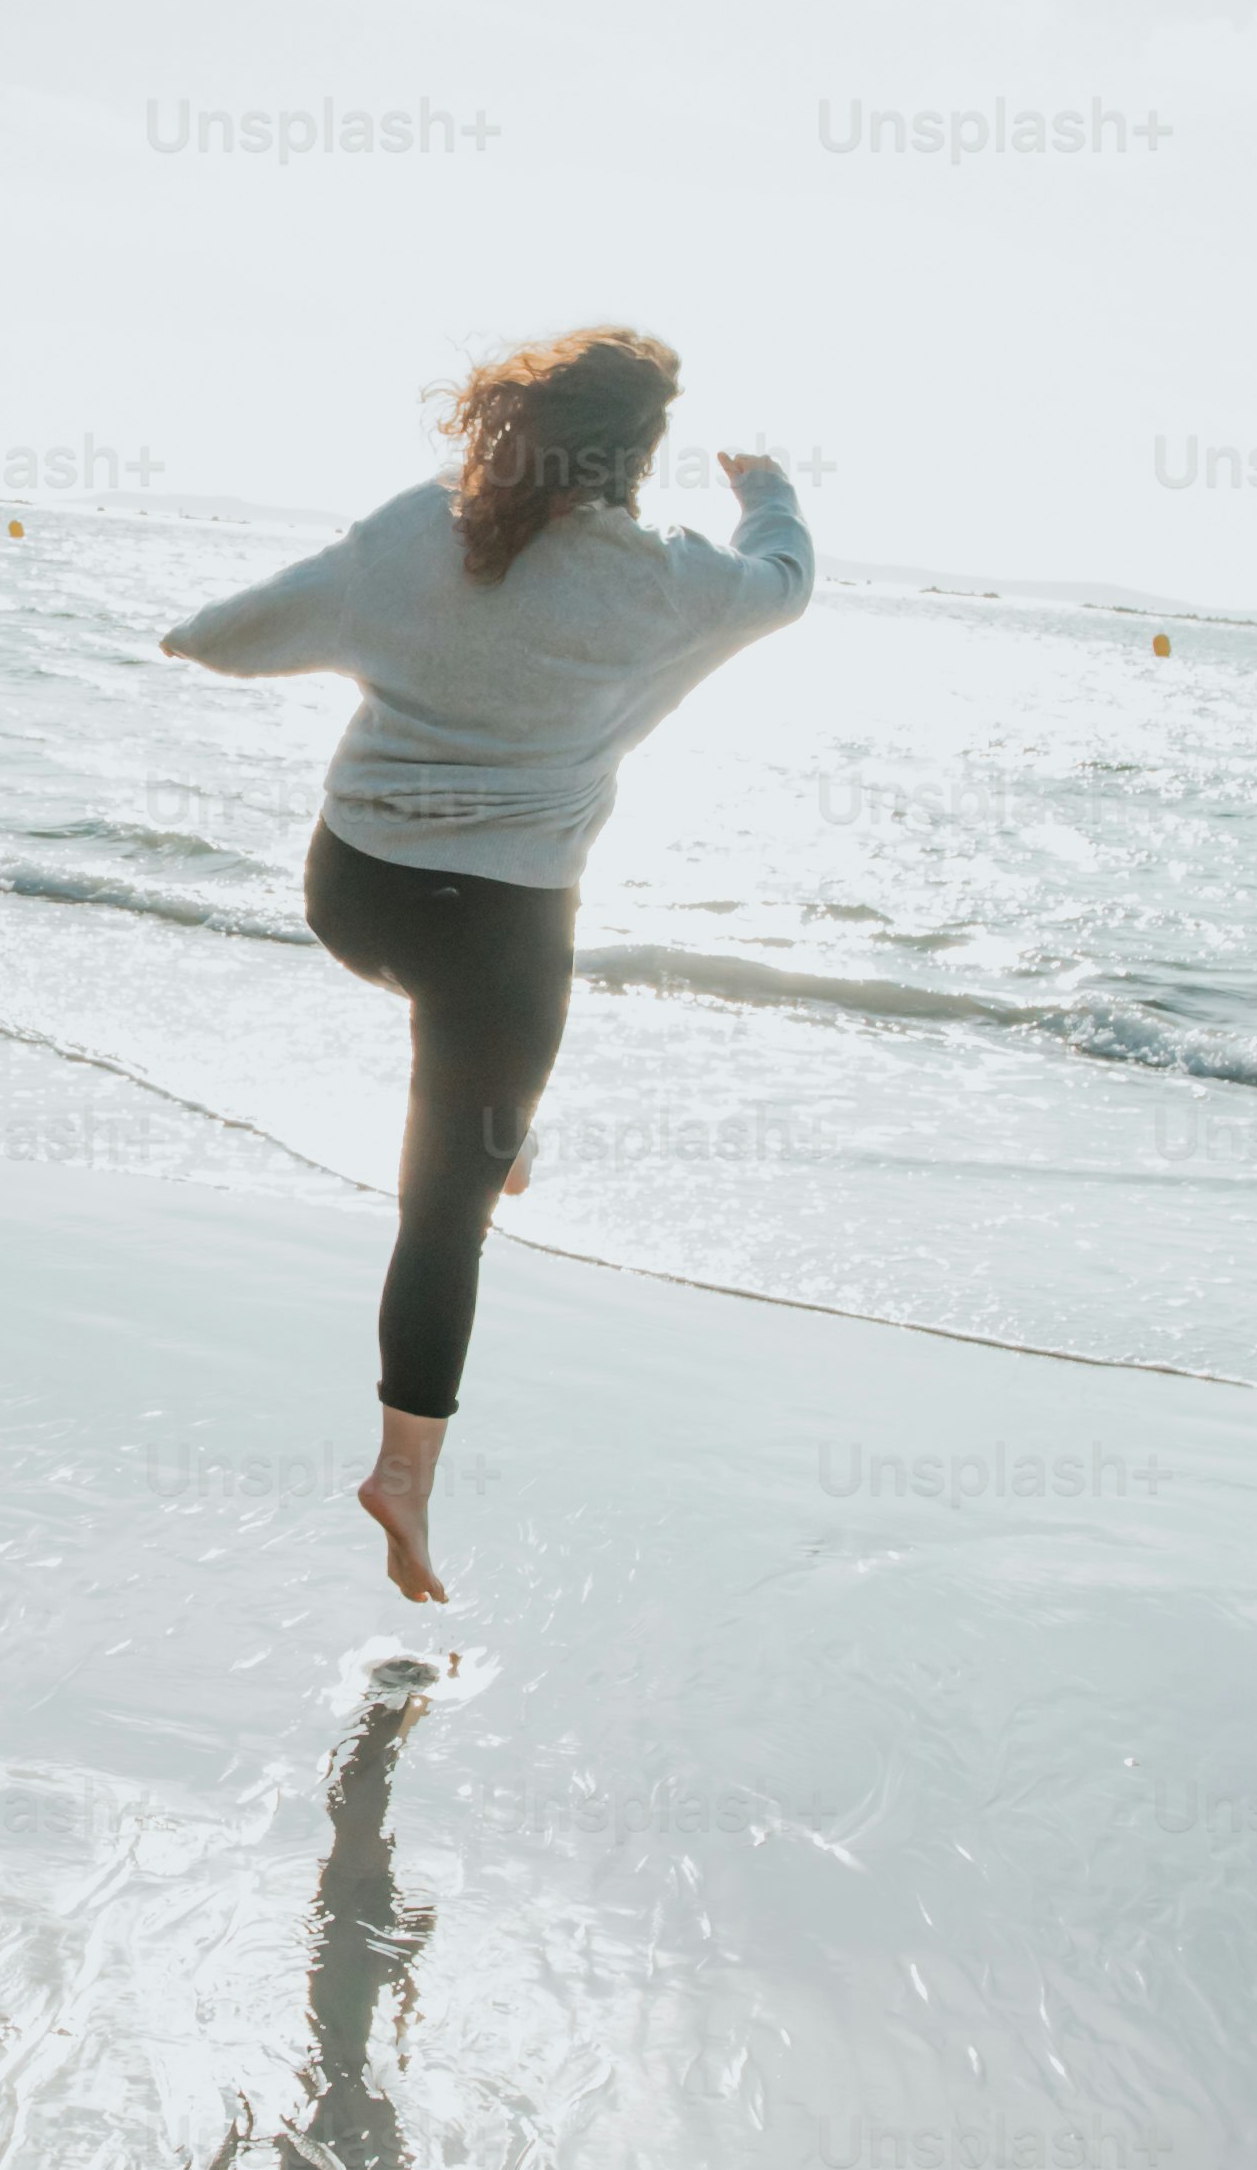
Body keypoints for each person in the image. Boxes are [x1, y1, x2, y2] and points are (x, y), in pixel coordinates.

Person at [163, 330, 807, 1602]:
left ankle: (496, 1115)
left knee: (472, 1069)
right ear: (637, 457)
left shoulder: (420, 529)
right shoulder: (667, 584)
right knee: (447, 1200)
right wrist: (768, 489)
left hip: (352, 894)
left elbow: (257, 627)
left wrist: (188, 636)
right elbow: (782, 581)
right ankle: (403, 1473)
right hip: (504, 936)